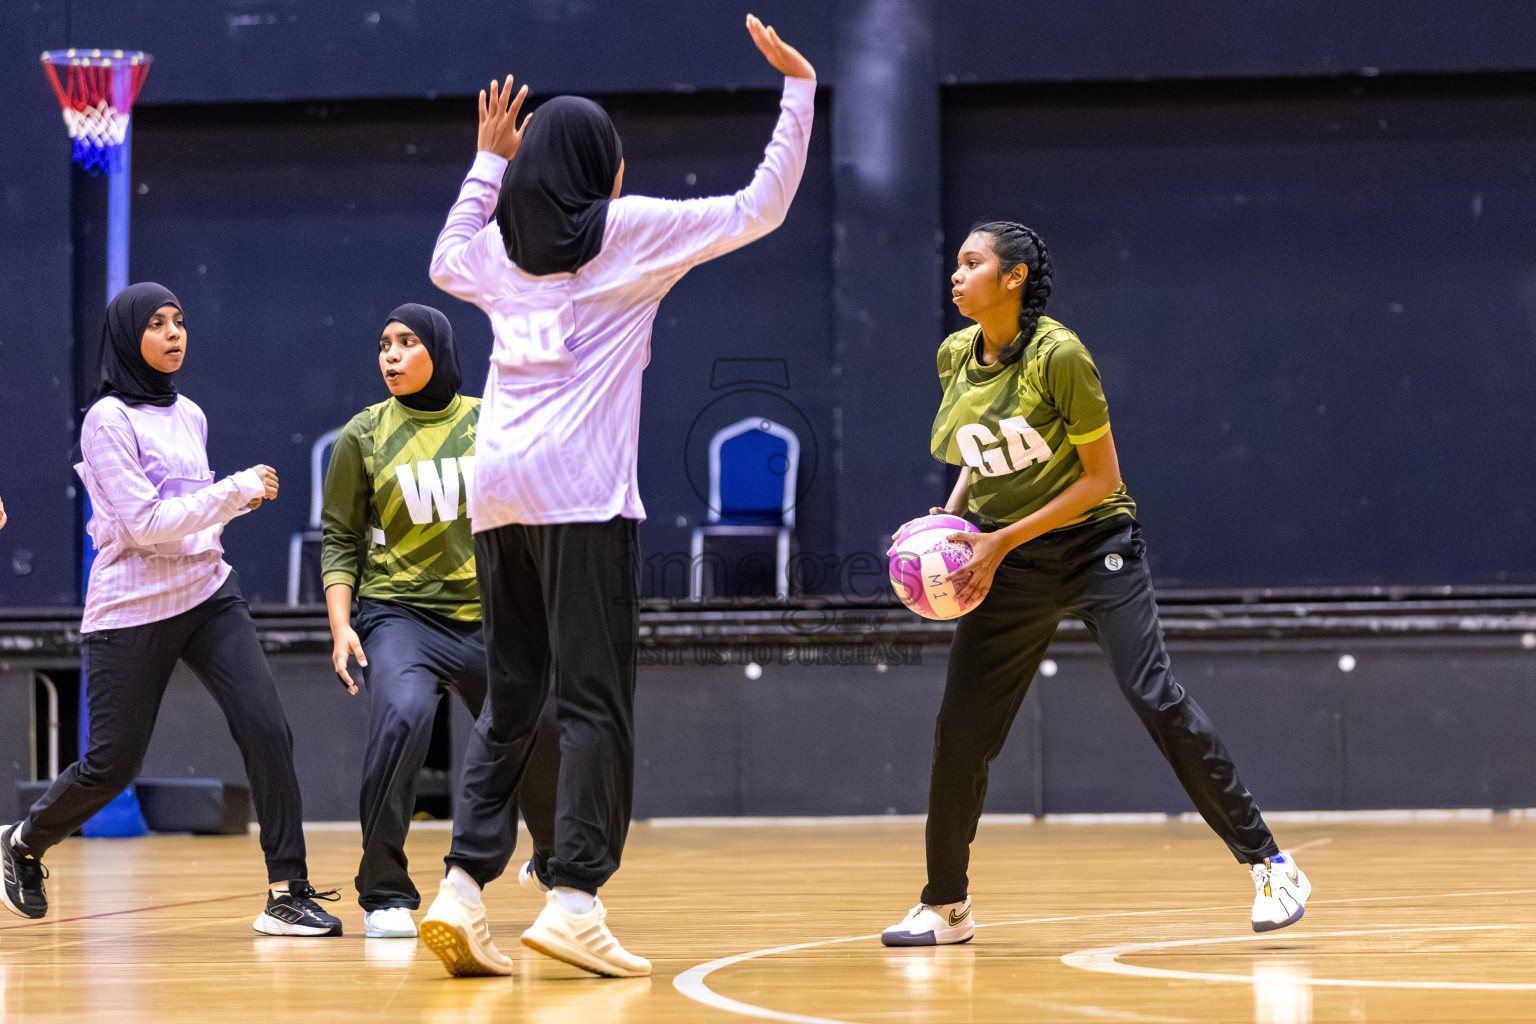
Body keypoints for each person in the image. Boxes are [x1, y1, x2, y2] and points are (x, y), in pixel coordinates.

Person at [416, 13, 816, 979]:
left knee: (511, 701)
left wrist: (483, 164)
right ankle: (576, 898)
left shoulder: (497, 254)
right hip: (583, 501)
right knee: (595, 704)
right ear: (601, 170)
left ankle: (463, 891)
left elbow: (441, 259)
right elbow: (759, 206)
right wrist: (798, 92)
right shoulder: (628, 233)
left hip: (498, 497)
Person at [880, 223, 1311, 947]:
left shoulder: (1060, 356)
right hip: (1001, 558)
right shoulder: (957, 353)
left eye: (971, 263)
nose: (955, 275)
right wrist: (947, 528)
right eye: (956, 264)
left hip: (1093, 546)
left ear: (1013, 277)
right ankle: (945, 905)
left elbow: (1100, 480)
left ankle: (1271, 864)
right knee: (961, 732)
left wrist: (996, 541)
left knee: (1154, 695)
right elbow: (978, 452)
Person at [0, 283, 342, 936]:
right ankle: (22, 841)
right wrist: (236, 491)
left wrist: (222, 507)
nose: (174, 332)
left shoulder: (191, 413)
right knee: (111, 767)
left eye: (179, 321)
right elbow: (146, 523)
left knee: (267, 728)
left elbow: (189, 520)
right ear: (130, 338)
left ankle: (286, 892)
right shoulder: (106, 420)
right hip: (131, 608)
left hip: (209, 592)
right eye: (157, 324)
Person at [321, 303, 558, 939]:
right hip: (399, 614)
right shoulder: (363, 435)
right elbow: (340, 538)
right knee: (404, 716)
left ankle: (558, 866)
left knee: (539, 725)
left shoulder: (490, 421)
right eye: (383, 343)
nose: (390, 355)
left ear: (439, 350)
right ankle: (384, 893)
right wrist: (343, 625)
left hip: (488, 617)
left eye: (406, 342)